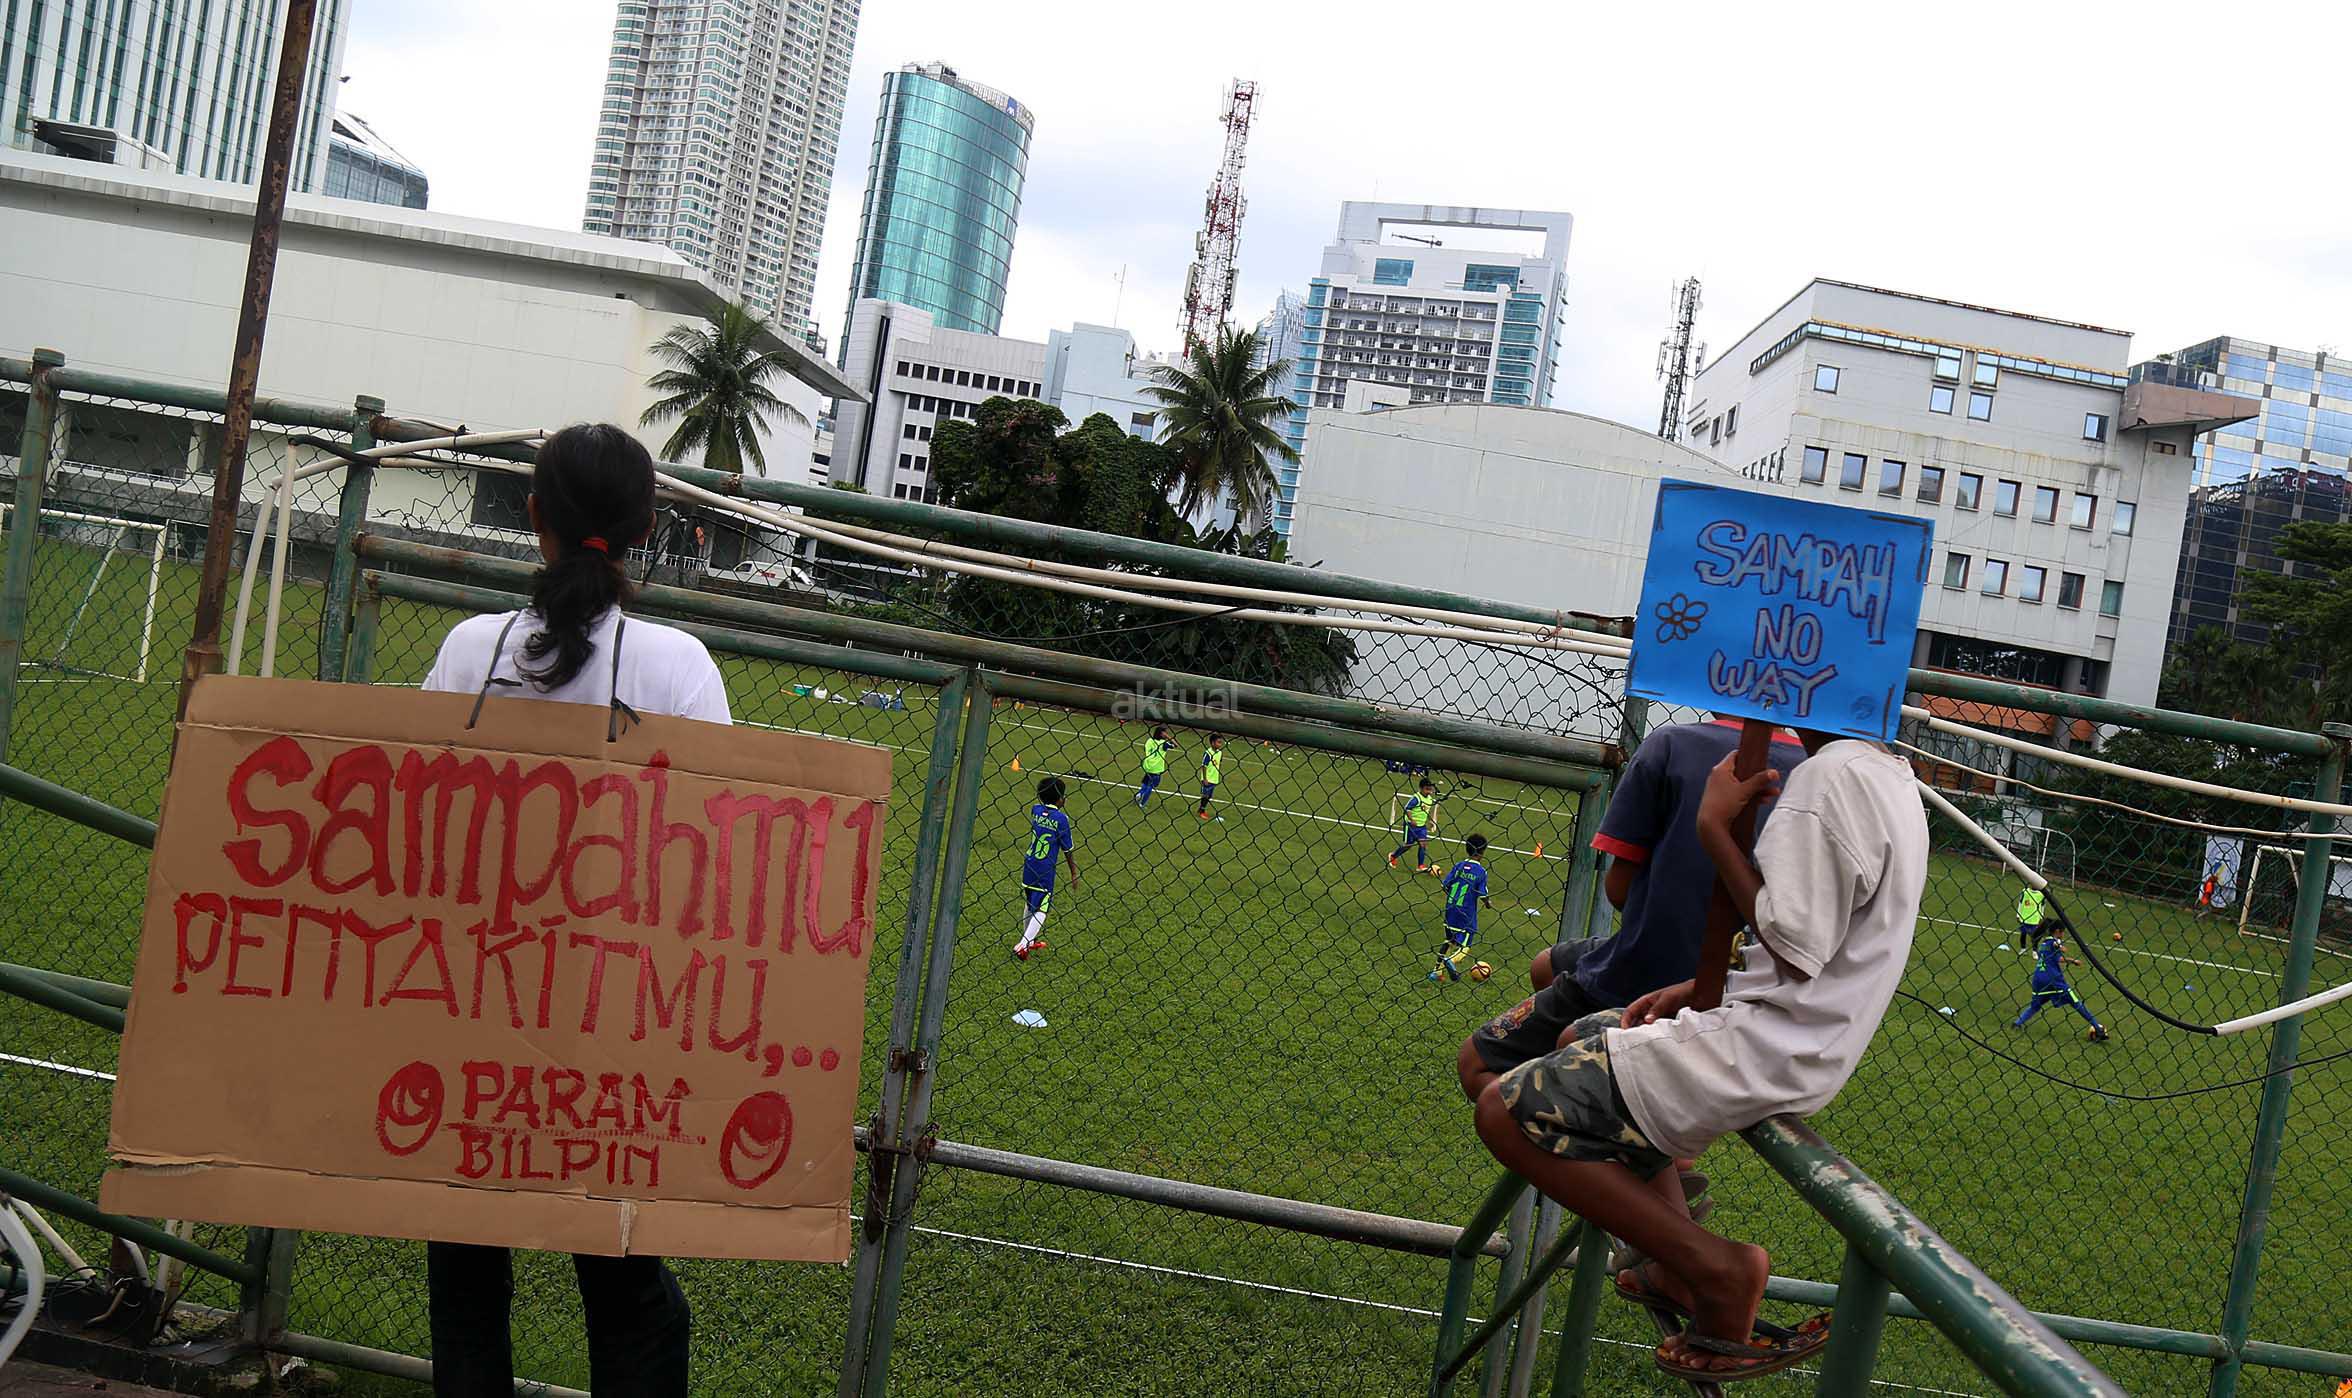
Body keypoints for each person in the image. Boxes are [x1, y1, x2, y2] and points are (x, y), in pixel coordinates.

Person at [1472, 728, 1928, 1383]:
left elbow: (1795, 945)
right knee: (1583, 1037)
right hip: (1797, 1036)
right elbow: (1821, 938)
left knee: (1503, 1112)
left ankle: (1716, 1268)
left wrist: (1714, 827)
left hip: (1763, 1045)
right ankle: (1669, 1260)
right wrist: (1699, 987)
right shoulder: (1889, 774)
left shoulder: (1828, 777)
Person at [418, 423, 717, 1397]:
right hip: (616, 1034)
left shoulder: (470, 650)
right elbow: (713, 860)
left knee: (467, 1277)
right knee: (628, 1292)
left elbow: (414, 823)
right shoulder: (679, 667)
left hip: (465, 1014)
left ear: (533, 516)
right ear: (647, 528)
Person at [1459, 720, 1807, 1104]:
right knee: (1547, 965)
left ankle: (1586, 1119)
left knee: (1476, 1064)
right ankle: (1596, 1088)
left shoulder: (1670, 744)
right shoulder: (1810, 771)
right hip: (1745, 979)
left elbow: (1618, 890)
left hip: (1645, 964)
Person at [1016, 776, 1078, 960]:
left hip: (1030, 864)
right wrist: (1074, 872)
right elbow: (1067, 850)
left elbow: (1043, 813)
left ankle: (1029, 940)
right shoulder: (1061, 819)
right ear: (1060, 799)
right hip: (1045, 869)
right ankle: (1023, 944)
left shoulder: (1035, 810)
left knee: (1030, 903)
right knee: (1042, 908)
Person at [2011, 928, 2108, 1039]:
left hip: (2039, 979)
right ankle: (2098, 1028)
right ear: (2057, 931)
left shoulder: (2043, 944)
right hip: (2054, 980)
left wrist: (2070, 959)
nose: (2063, 934)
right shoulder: (2054, 941)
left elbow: (2057, 957)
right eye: (2063, 931)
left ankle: (2017, 1023)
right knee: (2076, 1003)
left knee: (2035, 1006)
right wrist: (2061, 948)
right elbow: (2057, 947)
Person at [1425, 835, 1494, 982]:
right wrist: (1488, 903)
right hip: (1466, 912)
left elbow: (1445, 885)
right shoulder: (1481, 871)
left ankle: (1436, 973)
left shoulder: (1459, 866)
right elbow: (1483, 894)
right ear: (1483, 852)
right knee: (1466, 944)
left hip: (1451, 909)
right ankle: (1451, 960)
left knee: (1449, 941)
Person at [1390, 778, 1440, 872]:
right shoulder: (1416, 798)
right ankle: (1393, 856)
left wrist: (1430, 820)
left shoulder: (1429, 799)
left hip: (1421, 826)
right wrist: (1411, 819)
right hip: (1410, 825)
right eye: (1426, 789)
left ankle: (1420, 865)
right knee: (1408, 845)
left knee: (1423, 844)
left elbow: (1426, 810)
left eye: (1430, 789)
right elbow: (1407, 809)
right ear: (1421, 788)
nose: (1429, 791)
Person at [1136, 726, 1175, 807]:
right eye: (1165, 732)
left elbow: (1146, 750)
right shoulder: (1163, 743)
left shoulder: (1149, 741)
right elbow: (1175, 745)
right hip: (1157, 767)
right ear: (1161, 733)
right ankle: (1142, 803)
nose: (1166, 734)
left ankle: (1140, 793)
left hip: (1148, 765)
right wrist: (1168, 737)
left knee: (1146, 782)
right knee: (1151, 786)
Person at [1197, 734, 1226, 819]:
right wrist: (1205, 778)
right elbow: (1204, 766)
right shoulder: (1208, 753)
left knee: (1209, 795)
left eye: (1221, 742)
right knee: (1205, 795)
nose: (1220, 744)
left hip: (1214, 778)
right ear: (1212, 743)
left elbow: (1219, 762)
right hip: (1207, 778)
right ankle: (1202, 811)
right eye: (1218, 742)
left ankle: (1201, 809)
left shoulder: (1220, 753)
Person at [2016, 884, 2048, 952]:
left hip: (2035, 919)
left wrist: (2041, 916)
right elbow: (2020, 903)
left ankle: (2034, 951)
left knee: (2034, 936)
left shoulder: (2041, 894)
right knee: (2023, 934)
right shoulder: (2025, 891)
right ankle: (2023, 948)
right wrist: (2018, 915)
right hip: (2024, 917)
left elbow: (2042, 906)